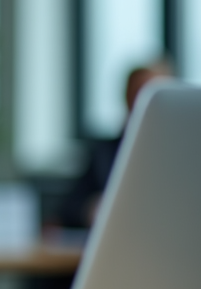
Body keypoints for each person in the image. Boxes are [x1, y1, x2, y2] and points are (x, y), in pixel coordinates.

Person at [61, 61, 172, 230]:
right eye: (139, 93)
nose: (146, 102)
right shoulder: (104, 153)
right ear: (127, 97)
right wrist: (91, 209)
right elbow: (68, 209)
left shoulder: (180, 156)